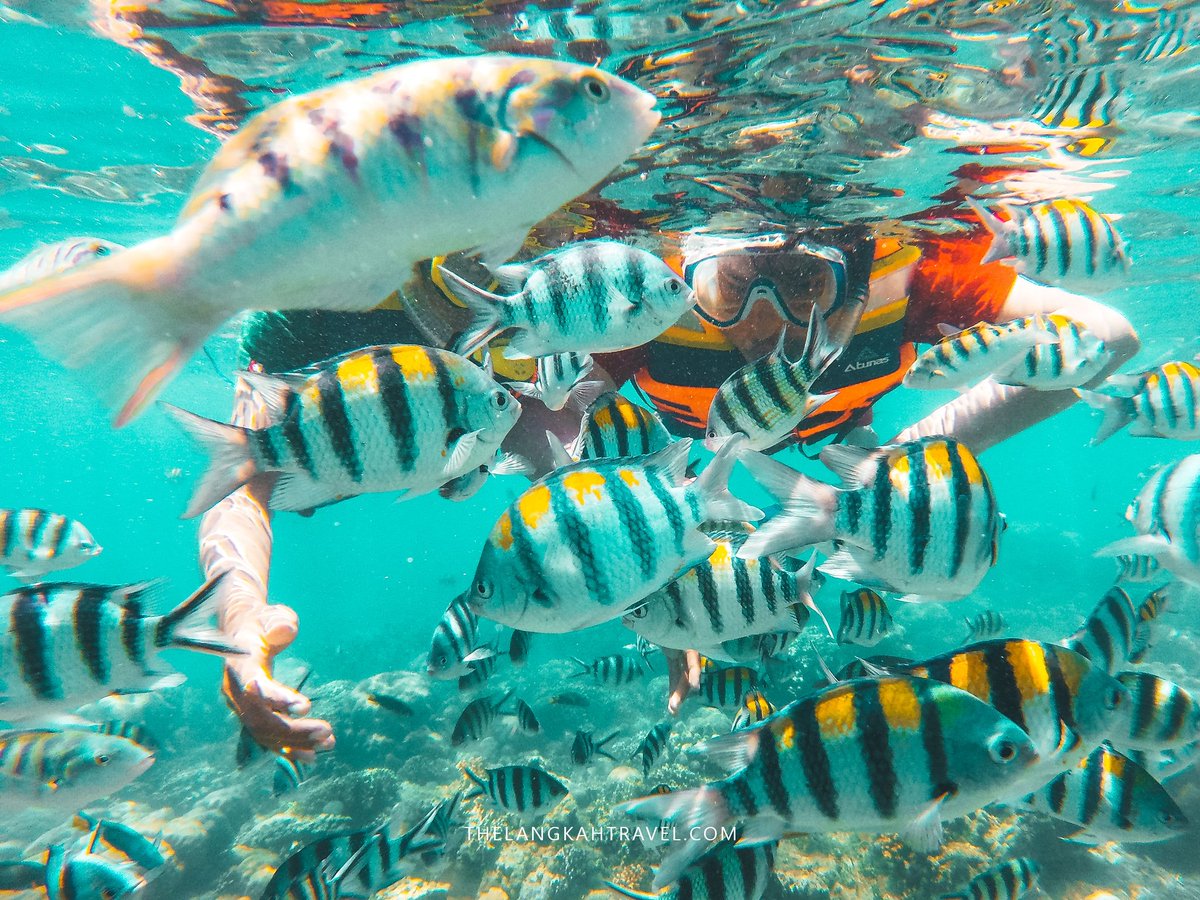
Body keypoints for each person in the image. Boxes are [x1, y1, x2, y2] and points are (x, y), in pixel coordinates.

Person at [201, 213, 1139, 757]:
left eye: (806, 287)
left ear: (857, 275)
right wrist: (239, 619)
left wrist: (910, 461)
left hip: (837, 444)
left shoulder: (919, 276)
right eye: (731, 290)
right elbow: (249, 465)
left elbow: (1110, 340)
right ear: (687, 275)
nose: (764, 325)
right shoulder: (630, 319)